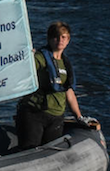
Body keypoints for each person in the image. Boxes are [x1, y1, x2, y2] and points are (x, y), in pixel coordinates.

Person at [15, 21, 90, 149]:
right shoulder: (39, 58)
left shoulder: (65, 63)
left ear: (68, 40)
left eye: (63, 37)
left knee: (51, 151)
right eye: (55, 37)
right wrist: (27, 59)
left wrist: (79, 116)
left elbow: (69, 92)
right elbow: (22, 72)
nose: (59, 40)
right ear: (49, 39)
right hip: (35, 112)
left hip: (56, 116)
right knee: (29, 148)